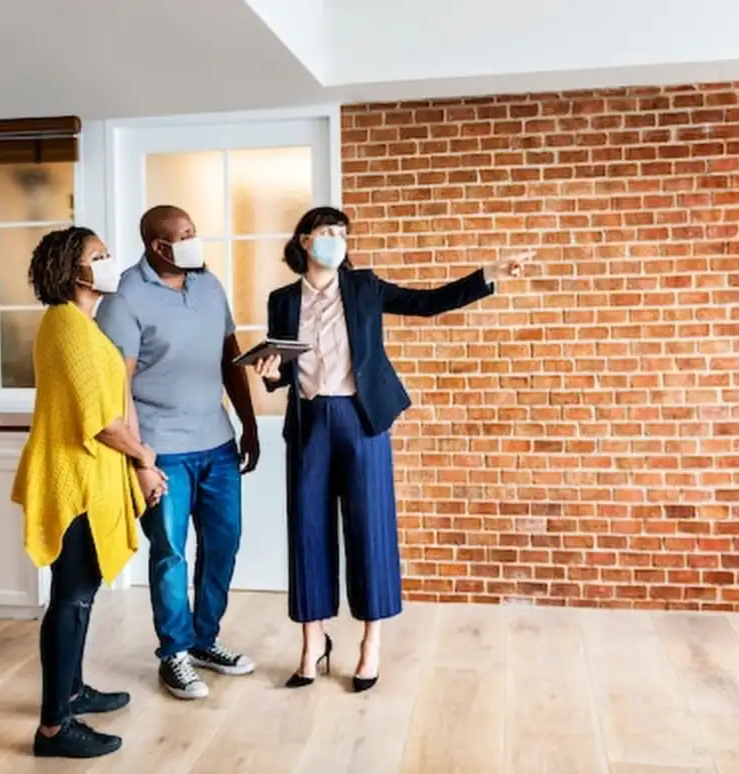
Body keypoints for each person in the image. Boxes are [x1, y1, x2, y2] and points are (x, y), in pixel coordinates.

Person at [249, 206, 531, 693]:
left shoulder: (364, 288)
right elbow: (281, 374)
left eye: (342, 233)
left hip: (363, 422)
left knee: (369, 531)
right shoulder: (282, 300)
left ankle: (370, 644)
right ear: (303, 240)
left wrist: (488, 274)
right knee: (308, 533)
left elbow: (429, 302)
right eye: (327, 232)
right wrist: (271, 374)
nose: (336, 239)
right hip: (310, 423)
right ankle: (312, 643)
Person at [11, 226, 168, 758]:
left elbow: (116, 401)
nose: (107, 263)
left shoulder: (85, 326)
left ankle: (72, 692)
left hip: (93, 479)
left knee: (79, 594)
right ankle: (53, 727)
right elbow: (98, 421)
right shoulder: (64, 326)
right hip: (73, 482)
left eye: (106, 255)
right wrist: (145, 457)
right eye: (96, 257)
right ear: (69, 269)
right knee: (72, 598)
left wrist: (138, 463)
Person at [95, 205, 260, 700]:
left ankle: (204, 641)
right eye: (184, 235)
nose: (194, 241)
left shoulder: (208, 284)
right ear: (157, 246)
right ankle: (174, 653)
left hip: (217, 441)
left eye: (195, 232)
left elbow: (230, 357)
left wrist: (249, 423)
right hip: (163, 449)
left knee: (224, 543)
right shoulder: (124, 296)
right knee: (169, 552)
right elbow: (117, 386)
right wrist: (141, 458)